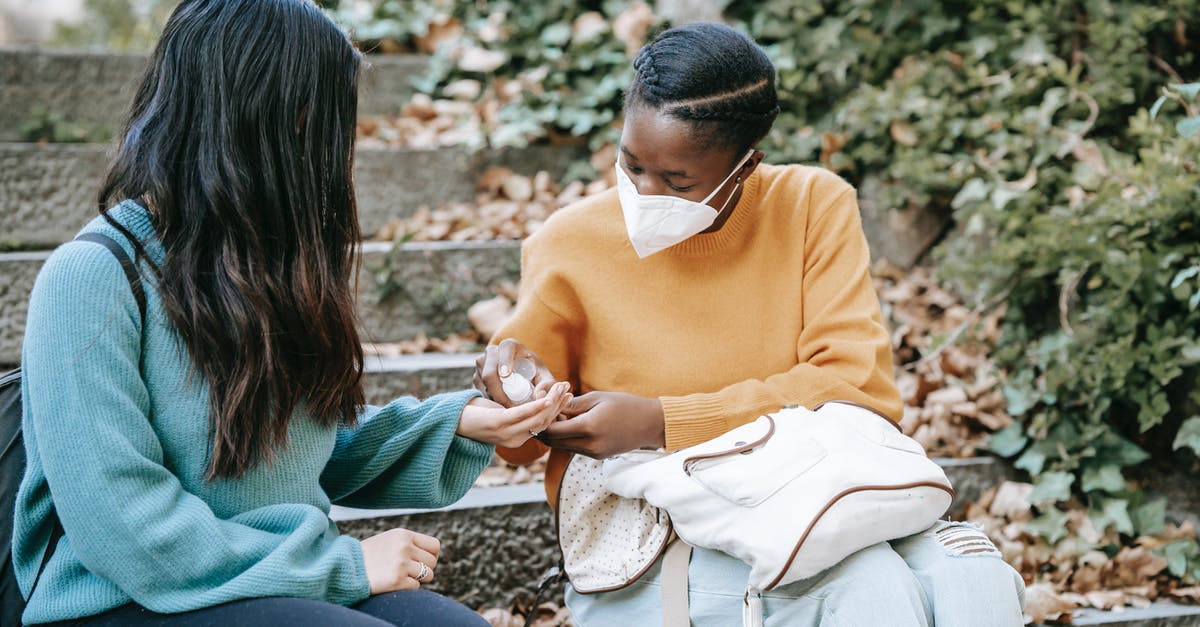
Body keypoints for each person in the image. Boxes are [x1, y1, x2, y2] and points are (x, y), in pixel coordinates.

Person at [11, 1, 571, 625]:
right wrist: (343, 568)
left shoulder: (264, 266)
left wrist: (460, 422)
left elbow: (293, 455)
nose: (339, 150)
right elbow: (124, 525)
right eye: (326, 120)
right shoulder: (90, 278)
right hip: (122, 599)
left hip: (267, 580)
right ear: (260, 118)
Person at [475, 22, 1026, 626]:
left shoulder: (811, 205)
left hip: (813, 489)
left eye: (677, 182)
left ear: (745, 163)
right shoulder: (568, 243)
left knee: (975, 576)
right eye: (632, 165)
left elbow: (856, 387)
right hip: (653, 531)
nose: (646, 191)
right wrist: (515, 402)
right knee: (870, 588)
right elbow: (521, 445)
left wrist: (661, 421)